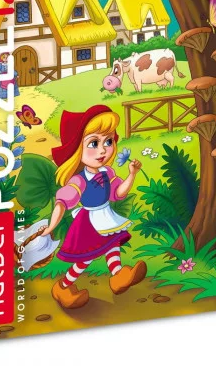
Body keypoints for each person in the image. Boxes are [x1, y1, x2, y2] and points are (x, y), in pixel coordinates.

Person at [40, 105, 146, 309]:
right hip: (88, 222)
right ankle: (63, 287)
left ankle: (118, 275)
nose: (103, 150)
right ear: (77, 150)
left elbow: (118, 193)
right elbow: (62, 203)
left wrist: (132, 174)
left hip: (106, 215)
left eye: (108, 141)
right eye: (94, 143)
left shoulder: (107, 173)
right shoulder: (79, 180)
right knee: (85, 258)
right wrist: (51, 227)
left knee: (112, 243)